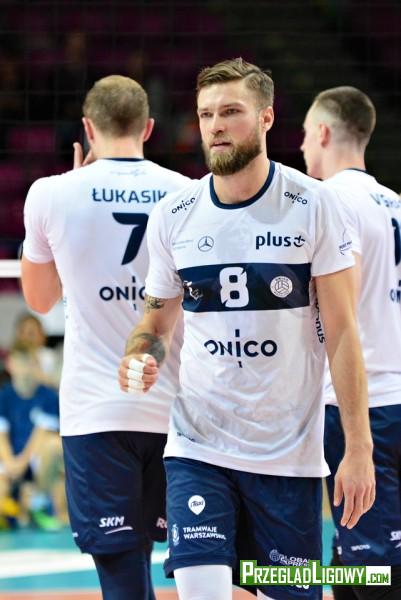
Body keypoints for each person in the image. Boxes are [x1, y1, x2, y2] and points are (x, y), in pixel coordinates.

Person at [118, 58, 375, 600]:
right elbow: (156, 320)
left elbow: (344, 334)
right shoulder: (174, 214)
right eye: (206, 114)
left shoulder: (315, 205)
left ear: (266, 118)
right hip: (198, 448)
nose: (215, 126)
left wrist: (358, 448)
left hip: (288, 457)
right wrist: (141, 354)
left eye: (231, 112)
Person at [21, 75, 191, 600]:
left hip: (95, 412)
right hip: (175, 410)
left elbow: (40, 300)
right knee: (199, 572)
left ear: (87, 129)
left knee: (122, 574)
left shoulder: (50, 194)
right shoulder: (188, 194)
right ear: (149, 128)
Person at [301, 86, 401, 599]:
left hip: (361, 405)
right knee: (352, 557)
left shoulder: (332, 199)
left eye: (304, 134)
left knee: (373, 570)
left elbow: (341, 309)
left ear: (322, 132)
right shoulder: (395, 203)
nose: (301, 146)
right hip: (394, 396)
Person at [0, 344, 64, 530]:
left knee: (54, 444)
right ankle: (13, 509)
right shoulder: (4, 396)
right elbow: (1, 435)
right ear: (10, 365)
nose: (24, 369)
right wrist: (10, 462)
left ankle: (39, 501)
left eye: (28, 363)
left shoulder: (48, 396)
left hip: (37, 460)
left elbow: (40, 435)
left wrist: (21, 462)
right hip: (11, 459)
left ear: (36, 364)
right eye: (19, 363)